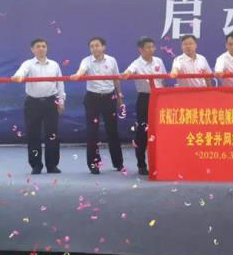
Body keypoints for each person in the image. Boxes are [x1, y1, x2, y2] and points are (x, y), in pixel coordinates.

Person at [12, 38, 65, 174]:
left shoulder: (54, 65)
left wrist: (61, 102)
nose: (41, 48)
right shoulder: (28, 64)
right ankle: (36, 165)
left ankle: (52, 165)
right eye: (38, 46)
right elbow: (21, 72)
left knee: (52, 134)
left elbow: (60, 85)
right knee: (33, 134)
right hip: (33, 103)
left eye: (43, 46)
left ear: (46, 48)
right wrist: (18, 77)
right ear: (32, 49)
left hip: (51, 102)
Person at [71, 37, 124, 174]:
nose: (94, 48)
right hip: (92, 99)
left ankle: (118, 163)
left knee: (112, 131)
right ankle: (94, 164)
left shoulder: (112, 60)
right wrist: (78, 75)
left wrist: (119, 96)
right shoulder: (86, 61)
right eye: (92, 46)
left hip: (109, 98)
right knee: (92, 132)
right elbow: (82, 70)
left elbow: (116, 79)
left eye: (97, 45)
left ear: (103, 47)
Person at [123, 37, 166, 176]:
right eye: (148, 47)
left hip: (159, 98)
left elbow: (163, 79)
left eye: (152, 47)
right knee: (142, 131)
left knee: (161, 130)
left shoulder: (159, 61)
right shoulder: (136, 63)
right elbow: (128, 72)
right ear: (140, 49)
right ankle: (141, 165)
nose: (151, 49)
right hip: (144, 99)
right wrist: (126, 74)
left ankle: (161, 164)